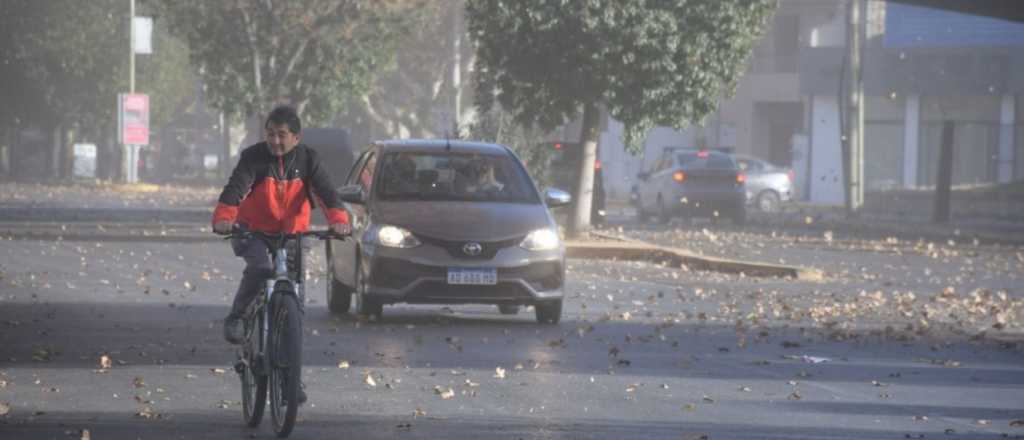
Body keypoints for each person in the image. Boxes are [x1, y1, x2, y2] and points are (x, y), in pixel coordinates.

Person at [212, 105, 351, 344]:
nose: (275, 141)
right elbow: (235, 188)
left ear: (296, 138)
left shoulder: (308, 160)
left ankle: (292, 329)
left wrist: (339, 221)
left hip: (292, 233)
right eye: (270, 134)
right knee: (262, 268)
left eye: (281, 135)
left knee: (293, 279)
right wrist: (224, 218)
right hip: (252, 230)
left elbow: (327, 194)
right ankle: (239, 317)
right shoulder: (253, 157)